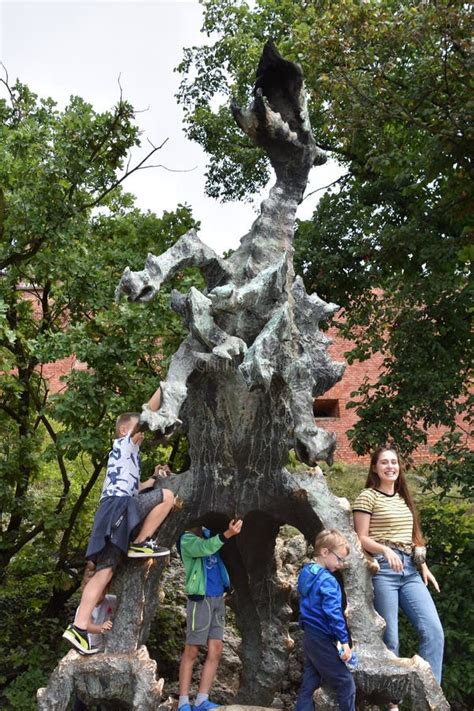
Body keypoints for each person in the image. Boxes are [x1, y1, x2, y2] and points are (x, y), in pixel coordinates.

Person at [63, 384, 175, 654]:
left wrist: (152, 480)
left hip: (113, 508)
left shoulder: (129, 458)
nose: (143, 432)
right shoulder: (123, 443)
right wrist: (164, 385)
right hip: (118, 508)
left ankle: (78, 626)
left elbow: (132, 487)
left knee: (105, 571)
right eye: (138, 429)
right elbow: (148, 412)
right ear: (126, 430)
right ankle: (141, 541)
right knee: (169, 497)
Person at [353, 445, 444, 708]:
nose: (390, 466)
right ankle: (390, 702)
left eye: (394, 462)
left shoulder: (404, 499)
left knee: (434, 631)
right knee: (390, 638)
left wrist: (423, 565)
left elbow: (412, 537)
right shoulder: (367, 497)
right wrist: (383, 549)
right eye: (384, 462)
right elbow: (361, 538)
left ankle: (429, 695)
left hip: (410, 571)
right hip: (383, 569)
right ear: (374, 468)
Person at [177, 518, 243, 711]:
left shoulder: (207, 532)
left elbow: (216, 546)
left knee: (216, 648)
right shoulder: (186, 539)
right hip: (200, 599)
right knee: (192, 649)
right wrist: (227, 534)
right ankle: (183, 702)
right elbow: (205, 548)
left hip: (217, 597)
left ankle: (201, 699)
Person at [295, 529, 356, 711]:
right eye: (339, 558)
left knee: (310, 682)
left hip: (309, 636)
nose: (341, 564)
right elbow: (333, 613)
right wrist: (344, 641)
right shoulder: (327, 581)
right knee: (346, 684)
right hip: (322, 637)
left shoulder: (306, 573)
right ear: (325, 552)